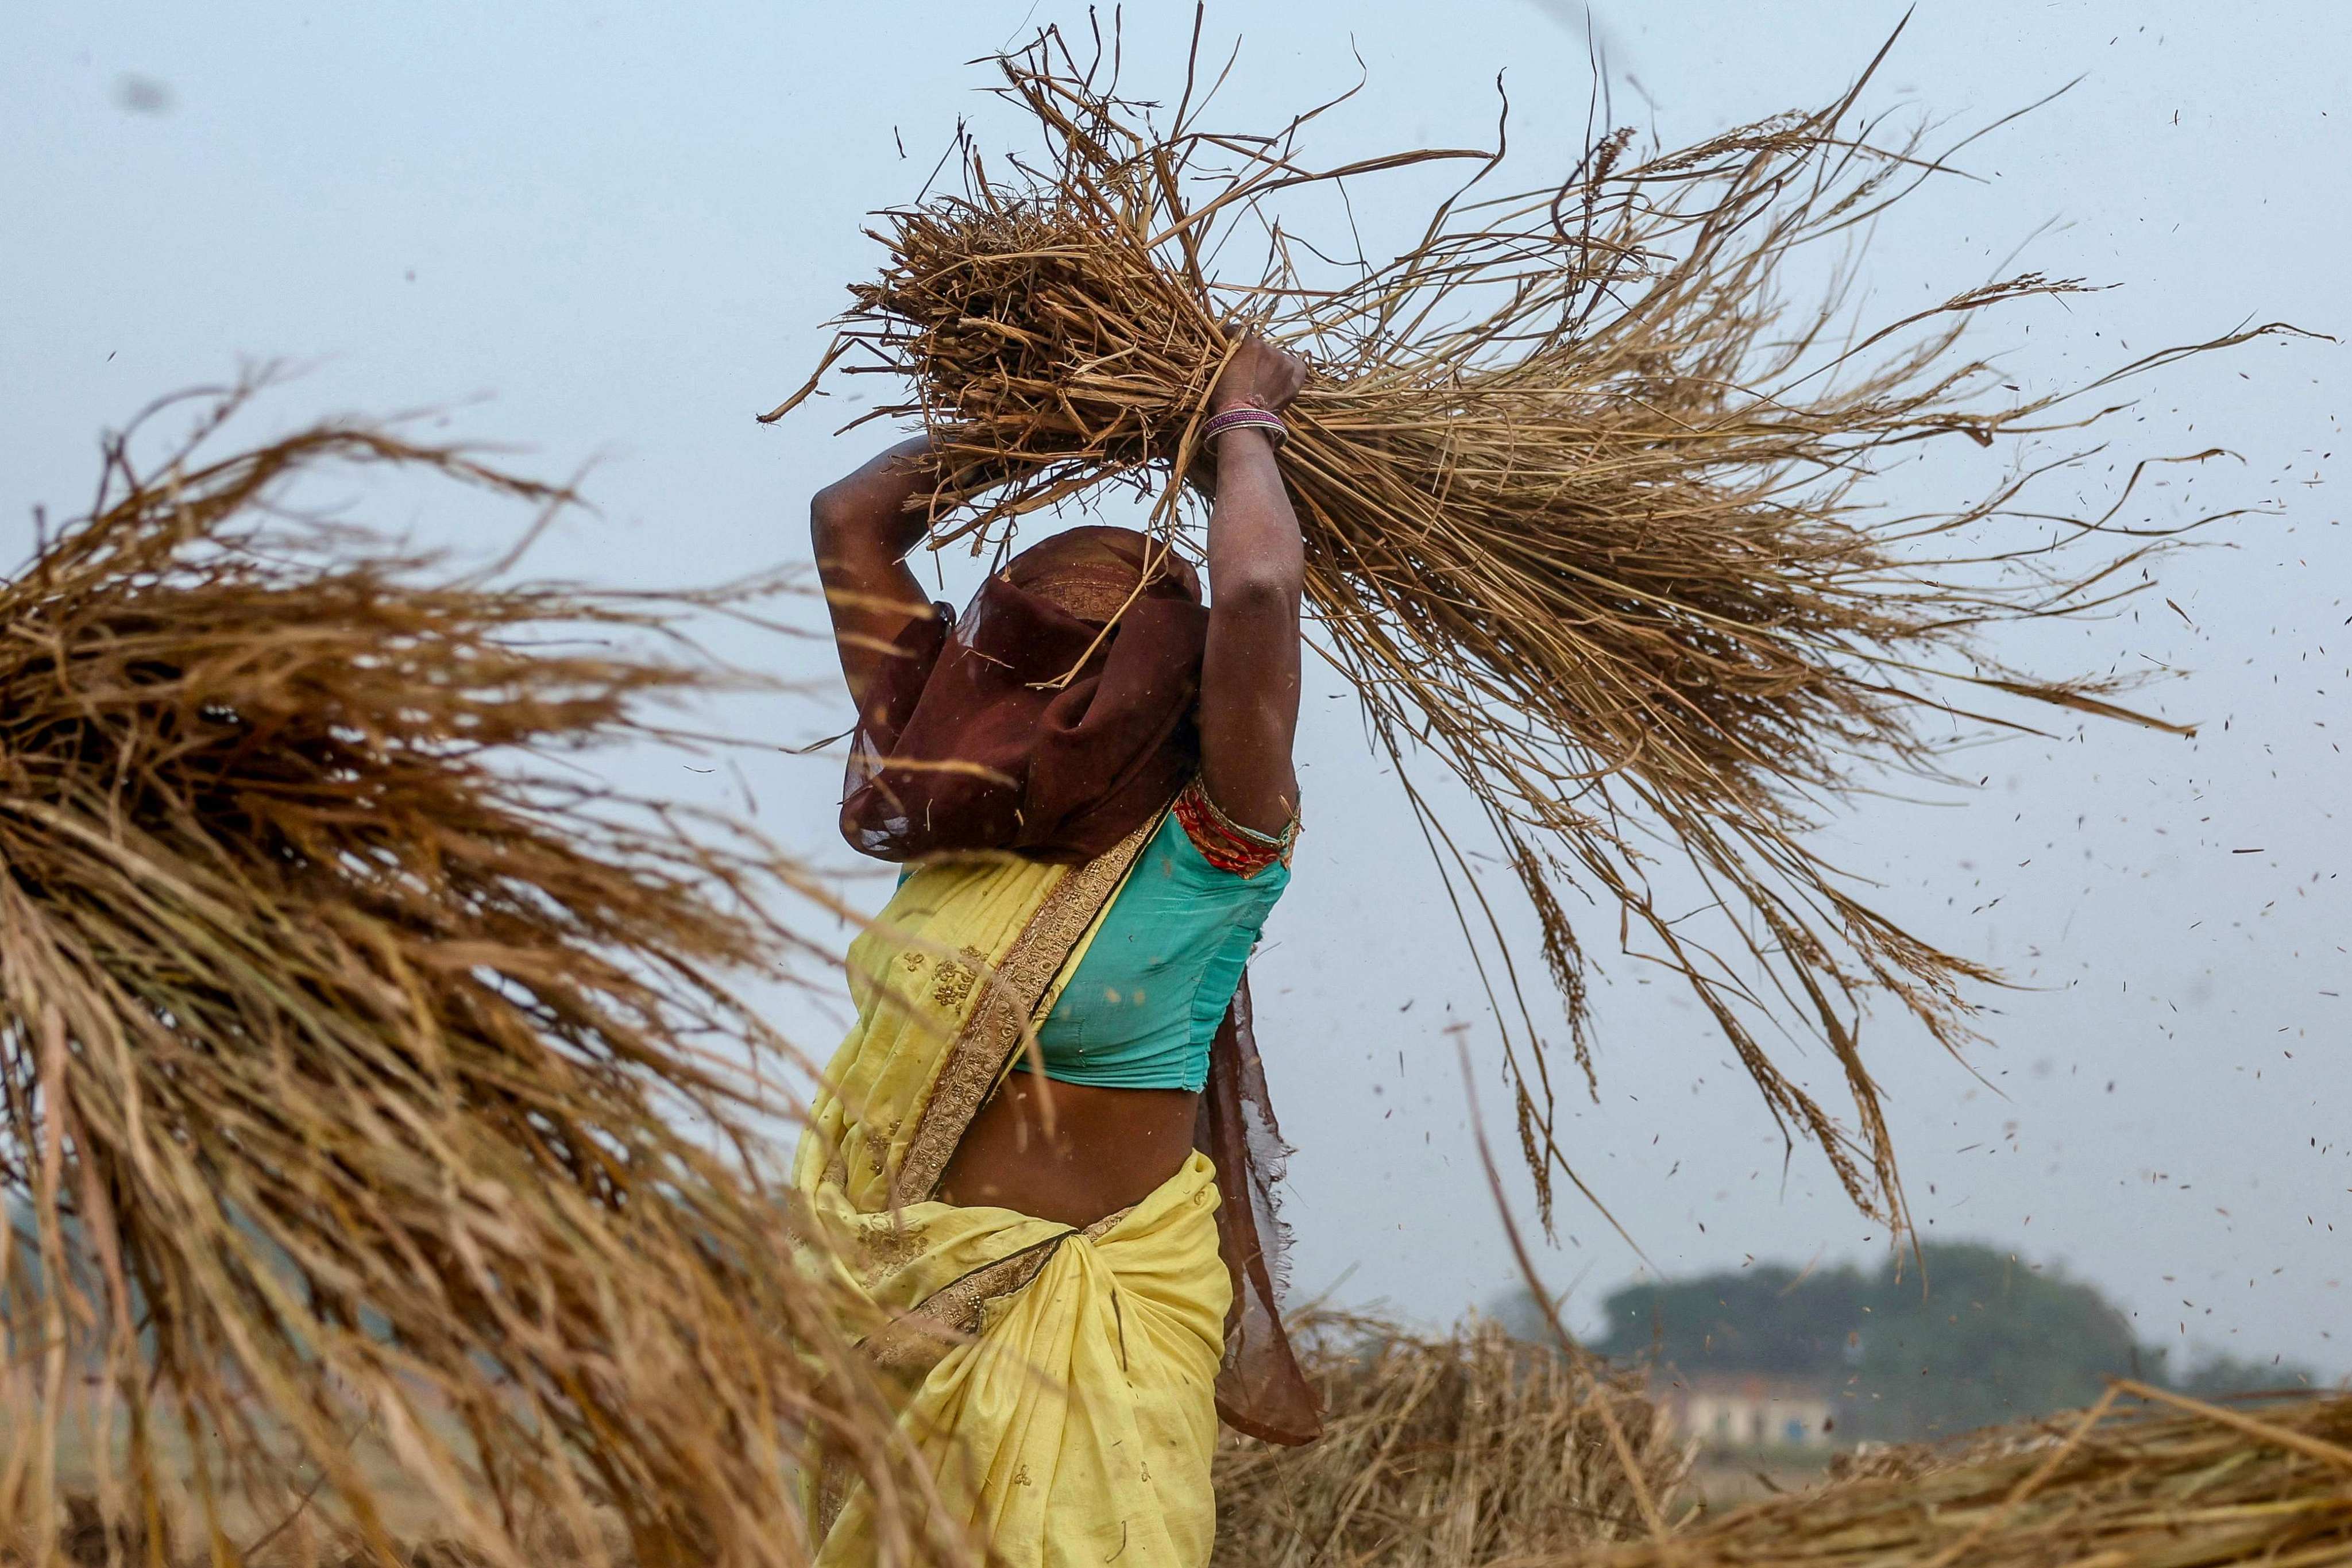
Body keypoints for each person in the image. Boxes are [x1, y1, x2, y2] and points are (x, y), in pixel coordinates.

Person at [793, 334, 1322, 1567]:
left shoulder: (1210, 841)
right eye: (1030, 668)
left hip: (1094, 1336)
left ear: (1167, 688)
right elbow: (850, 517)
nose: (1048, 711)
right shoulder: (956, 793)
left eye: (1084, 684)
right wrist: (1073, 410)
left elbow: (1253, 592)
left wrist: (1241, 418)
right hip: (893, 1324)